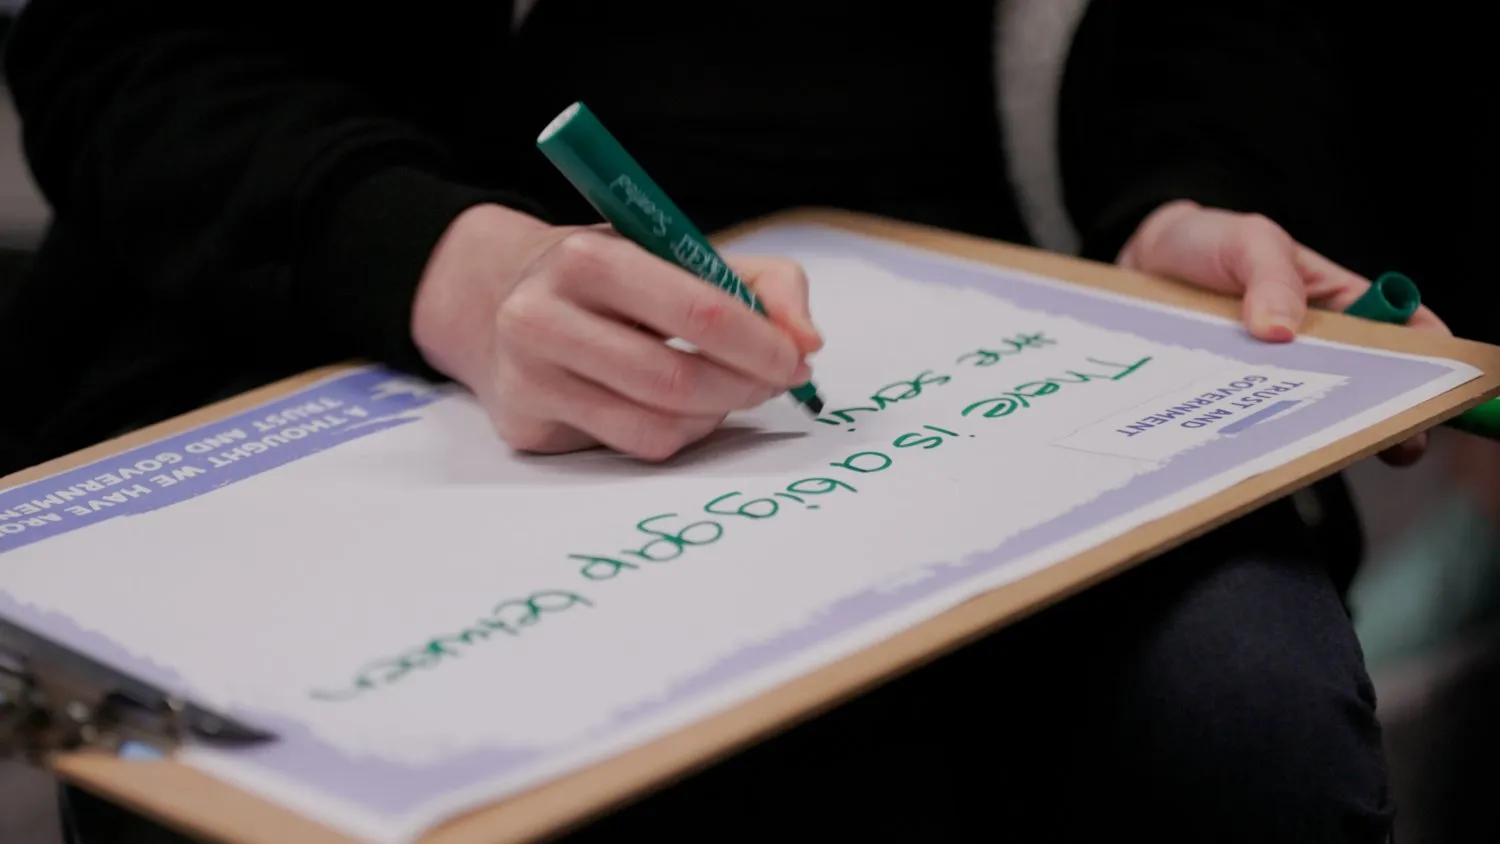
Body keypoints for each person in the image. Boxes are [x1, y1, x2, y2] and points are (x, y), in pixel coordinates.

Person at [0, 0, 1453, 840]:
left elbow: (1213, 33)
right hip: (345, 311)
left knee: (1240, 716)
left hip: (1007, 314)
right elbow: (121, 48)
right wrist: (442, 265)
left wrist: (1170, 201)